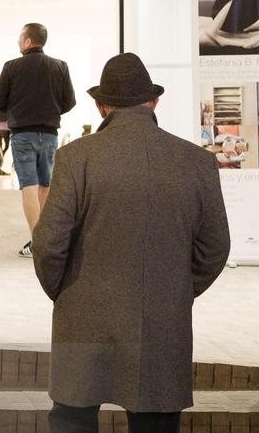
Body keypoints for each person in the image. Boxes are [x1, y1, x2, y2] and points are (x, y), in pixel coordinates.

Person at [31, 52, 230, 433]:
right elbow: (215, 248)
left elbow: (48, 244)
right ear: (154, 101)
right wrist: (177, 289)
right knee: (155, 422)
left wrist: (65, 293)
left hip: (84, 316)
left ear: (101, 105)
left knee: (73, 419)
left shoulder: (75, 158)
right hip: (162, 318)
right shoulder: (197, 162)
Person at [0, 23, 76, 257]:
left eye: (20, 38)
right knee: (45, 186)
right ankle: (47, 240)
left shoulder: (12, 67)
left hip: (23, 134)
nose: (18, 42)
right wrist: (50, 110)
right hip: (49, 134)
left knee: (28, 185)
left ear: (28, 41)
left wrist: (14, 112)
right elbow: (69, 102)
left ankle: (36, 242)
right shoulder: (60, 66)